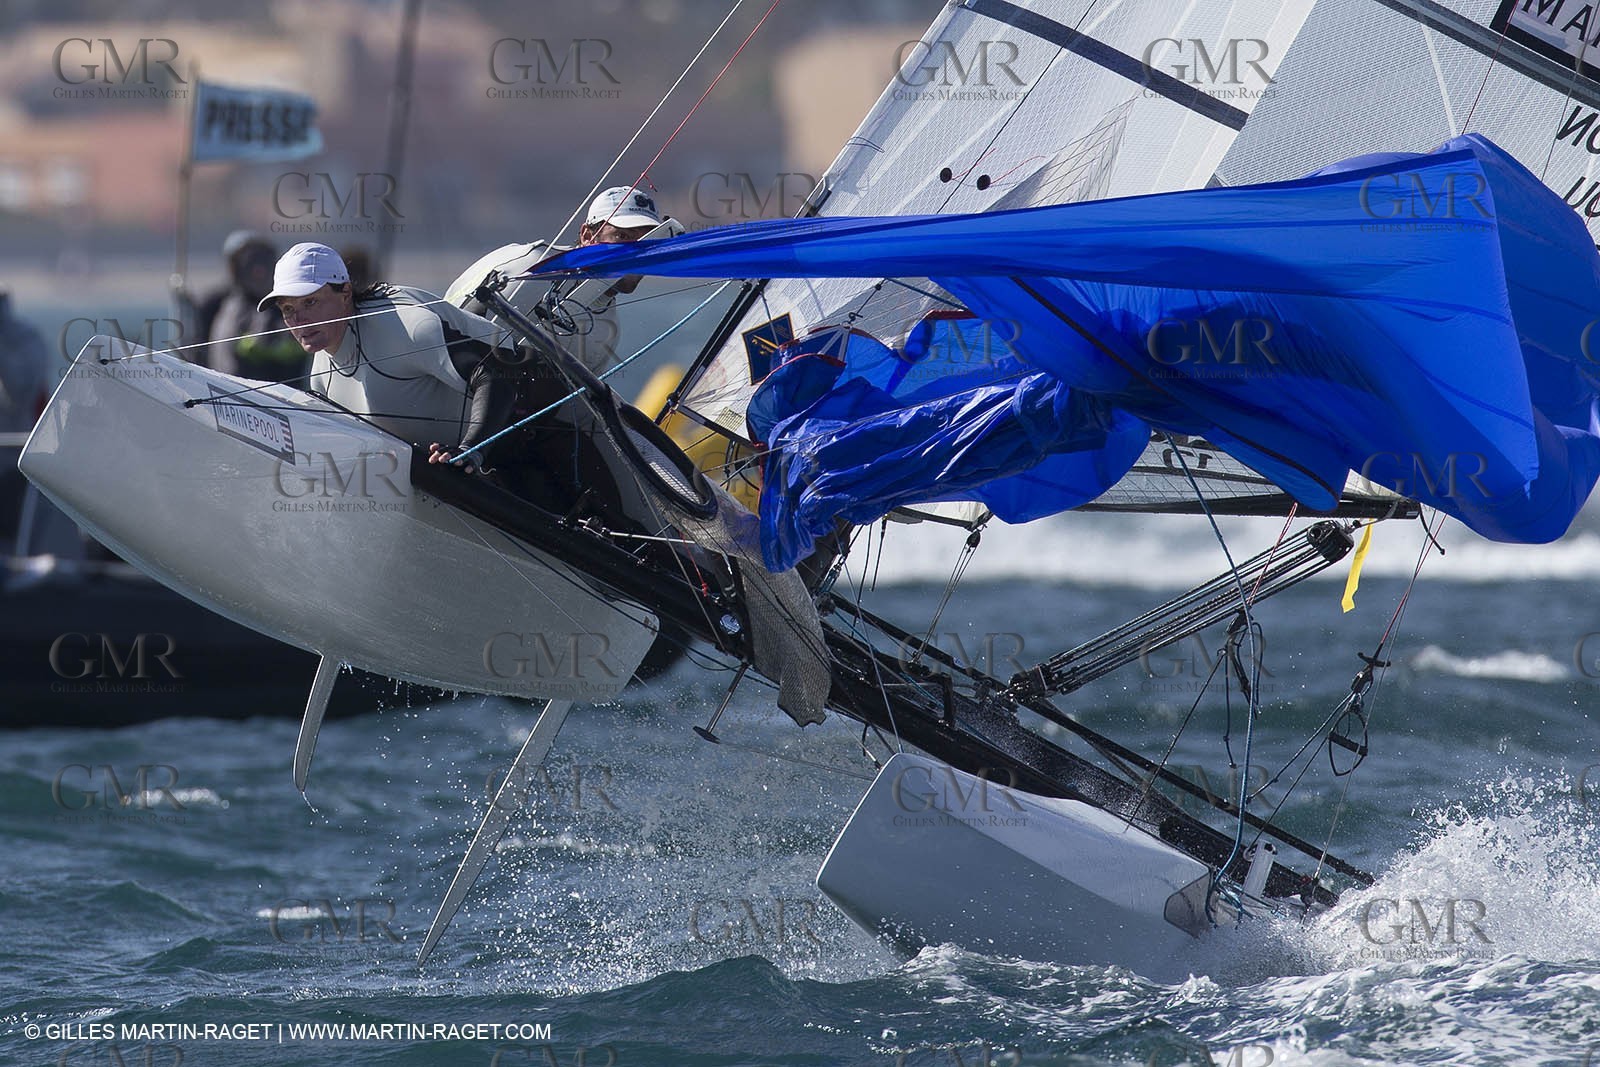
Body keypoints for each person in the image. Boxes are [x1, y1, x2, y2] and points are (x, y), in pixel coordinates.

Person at [259, 242, 518, 472]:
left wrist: (470, 451)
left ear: (345, 293)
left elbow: (498, 380)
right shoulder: (319, 377)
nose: (299, 320)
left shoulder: (406, 328)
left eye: (310, 302)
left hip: (521, 432)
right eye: (288, 309)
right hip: (452, 470)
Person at [198, 231, 309, 382]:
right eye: (250, 264)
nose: (259, 271)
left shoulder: (286, 305)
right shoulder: (227, 308)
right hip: (240, 390)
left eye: (264, 262)